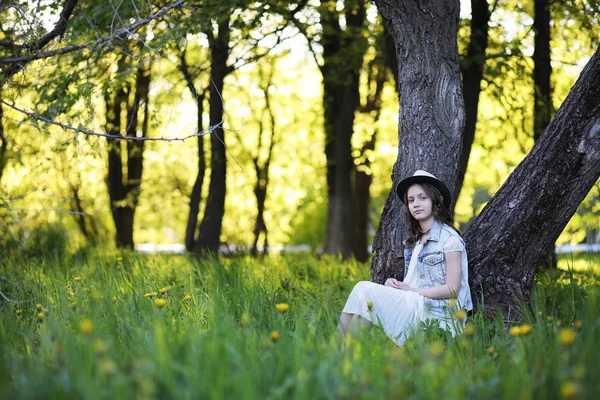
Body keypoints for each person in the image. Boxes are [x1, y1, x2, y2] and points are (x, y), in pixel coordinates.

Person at [338, 170, 473, 346]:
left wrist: (410, 291)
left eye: (422, 198)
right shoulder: (415, 241)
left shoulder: (450, 240)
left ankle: (340, 352)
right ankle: (345, 352)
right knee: (364, 299)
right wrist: (395, 288)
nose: (416, 204)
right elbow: (414, 282)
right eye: (411, 200)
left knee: (363, 289)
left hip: (438, 314)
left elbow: (453, 289)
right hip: (416, 304)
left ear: (435, 201)